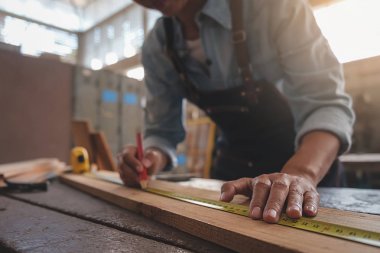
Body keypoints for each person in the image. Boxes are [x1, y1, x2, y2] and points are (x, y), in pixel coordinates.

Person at [118, 0, 355, 224]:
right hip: (234, 178)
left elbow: (326, 105)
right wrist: (148, 159)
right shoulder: (157, 47)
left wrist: (301, 174)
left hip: (309, 173)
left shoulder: (273, 7)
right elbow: (162, 131)